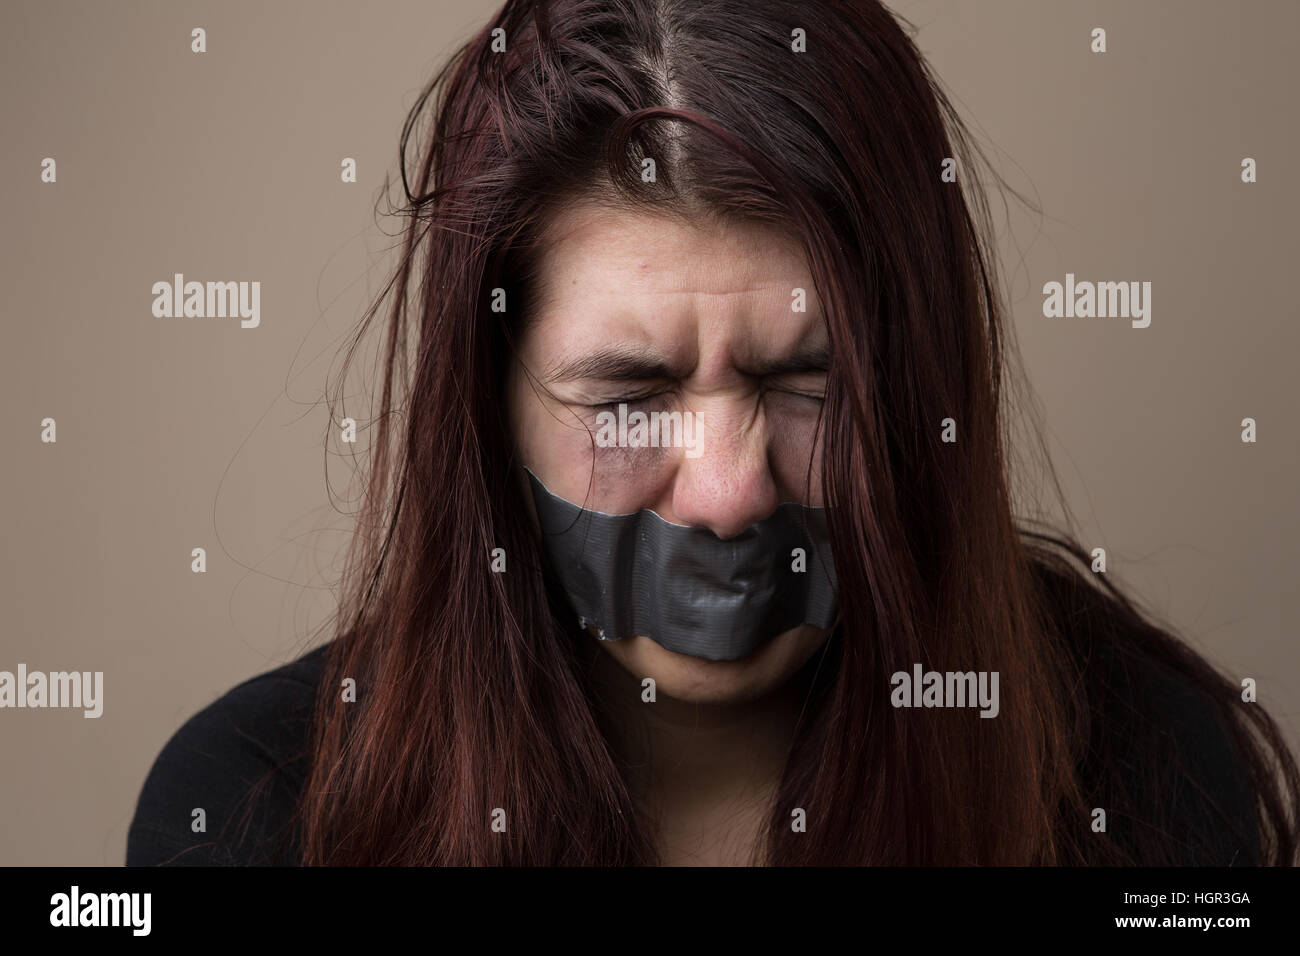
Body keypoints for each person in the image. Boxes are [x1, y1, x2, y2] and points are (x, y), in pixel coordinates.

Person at [127, 0, 1299, 866]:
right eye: (629, 396)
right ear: (488, 412)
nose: (731, 493)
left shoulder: (1137, 771)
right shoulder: (251, 811)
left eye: (810, 382)